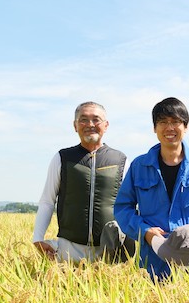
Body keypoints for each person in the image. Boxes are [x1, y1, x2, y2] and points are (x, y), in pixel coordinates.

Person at [114, 97, 189, 281]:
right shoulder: (139, 166)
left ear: (186, 127)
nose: (169, 128)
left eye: (175, 122)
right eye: (163, 122)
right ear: (154, 128)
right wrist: (145, 231)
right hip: (151, 261)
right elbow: (122, 208)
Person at [33, 101, 133, 263]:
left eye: (96, 119)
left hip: (110, 248)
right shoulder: (62, 158)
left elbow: (130, 204)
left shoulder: (121, 160)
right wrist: (37, 238)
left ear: (106, 125)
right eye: (83, 120)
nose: (90, 124)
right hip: (69, 248)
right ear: (75, 125)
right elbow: (47, 201)